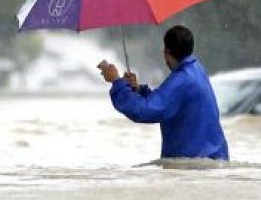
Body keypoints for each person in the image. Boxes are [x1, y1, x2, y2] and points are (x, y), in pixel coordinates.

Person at [98, 25, 229, 161]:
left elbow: (144, 111)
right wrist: (137, 90)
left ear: (166, 51)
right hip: (215, 159)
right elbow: (167, 100)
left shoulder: (181, 81)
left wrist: (117, 82)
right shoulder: (196, 69)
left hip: (196, 164)